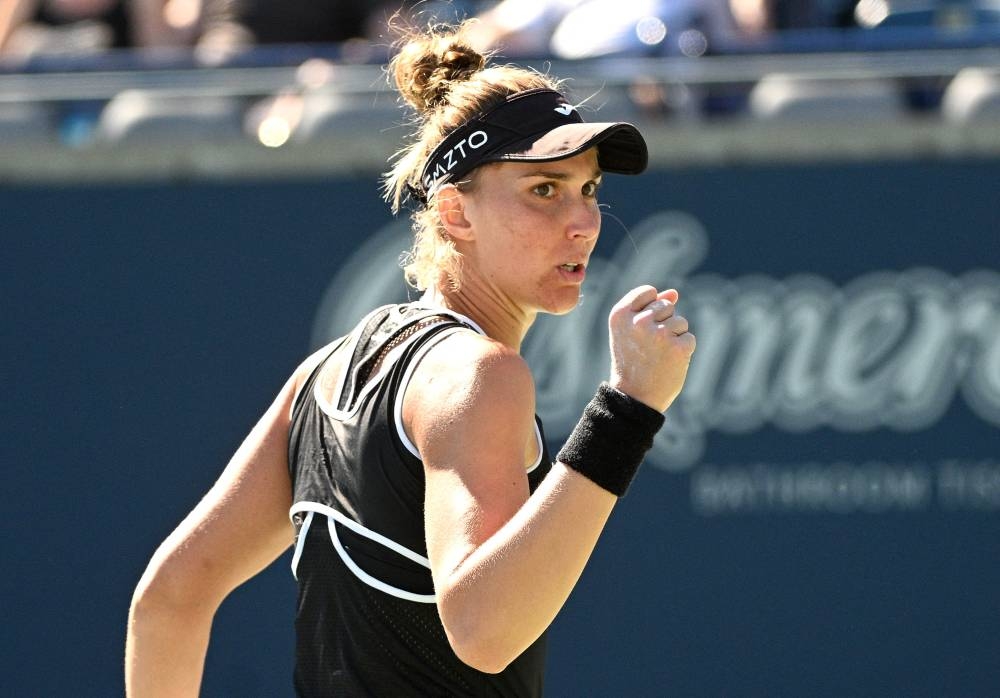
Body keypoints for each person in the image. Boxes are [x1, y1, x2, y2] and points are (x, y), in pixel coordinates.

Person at [125, 18, 695, 697]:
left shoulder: (325, 371)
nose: (582, 222)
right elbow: (484, 630)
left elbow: (168, 600)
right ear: (455, 214)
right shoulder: (481, 374)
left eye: (588, 189)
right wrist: (628, 411)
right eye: (544, 190)